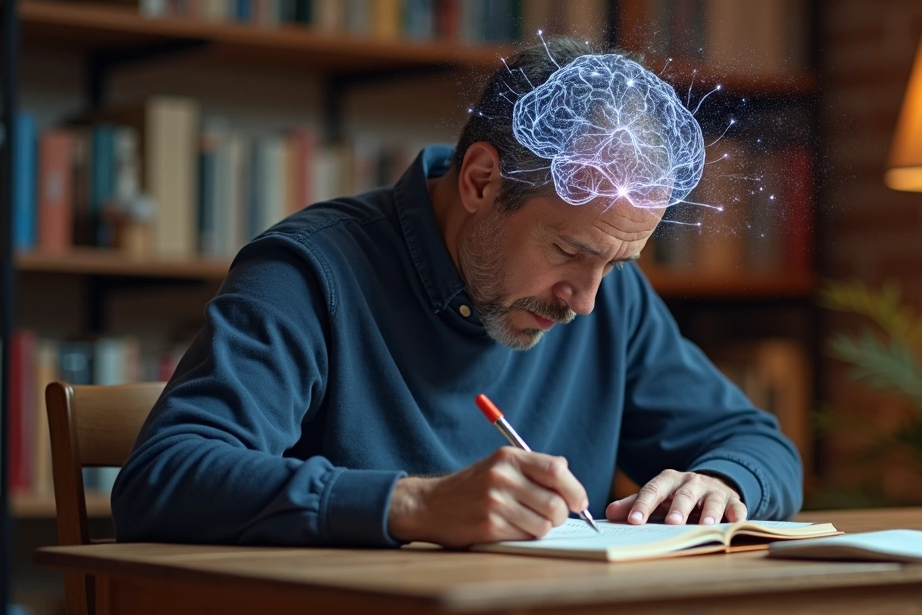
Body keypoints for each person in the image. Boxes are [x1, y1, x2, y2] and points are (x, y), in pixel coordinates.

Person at [111, 38, 803, 549]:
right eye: (569, 251)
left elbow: (755, 443)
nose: (585, 301)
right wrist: (411, 504)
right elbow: (166, 478)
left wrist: (725, 484)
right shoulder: (310, 271)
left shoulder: (608, 295)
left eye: (615, 265)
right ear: (480, 182)